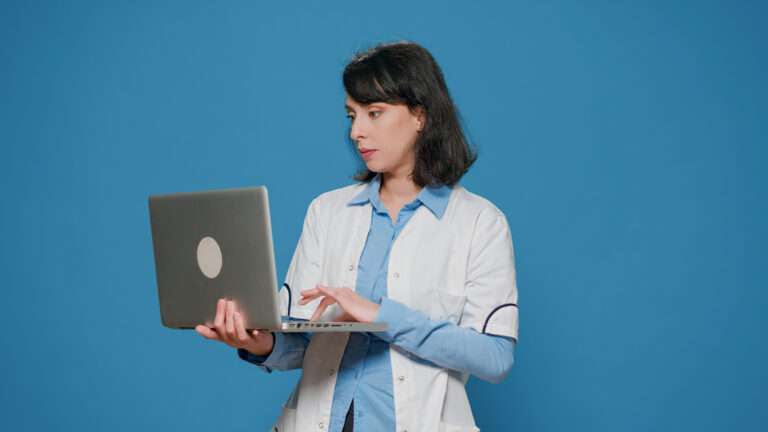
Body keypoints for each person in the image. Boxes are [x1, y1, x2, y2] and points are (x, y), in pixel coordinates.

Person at [195, 41, 519, 432]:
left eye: (374, 113)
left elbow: (495, 357)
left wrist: (383, 316)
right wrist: (255, 342)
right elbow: (301, 344)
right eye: (352, 115)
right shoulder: (327, 212)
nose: (356, 132)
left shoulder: (480, 223)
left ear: (420, 115)